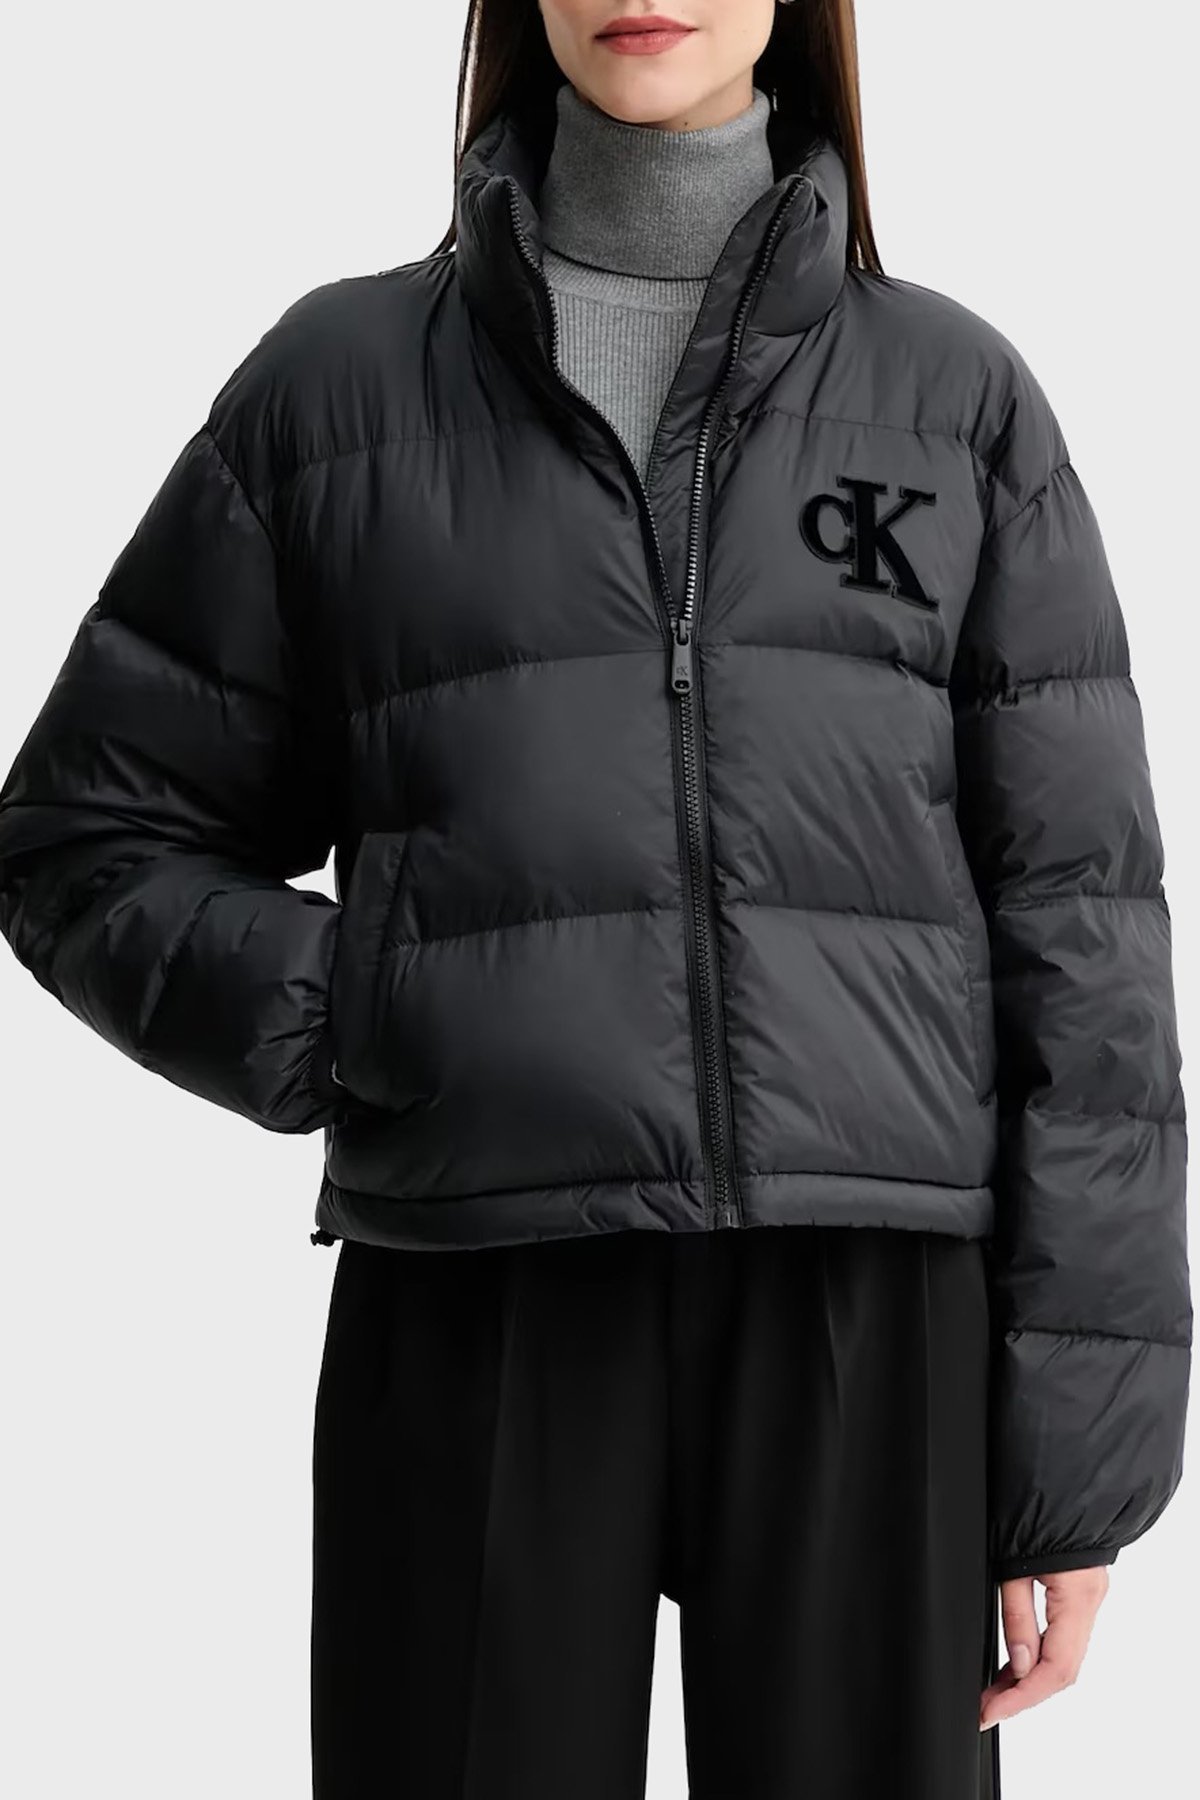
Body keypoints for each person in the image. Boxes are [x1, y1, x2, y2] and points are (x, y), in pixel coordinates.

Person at [0, 1, 1190, 1795]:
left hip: (867, 1301)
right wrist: (361, 1012)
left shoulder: (955, 405)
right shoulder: (337, 393)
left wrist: (1077, 1462)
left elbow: (1083, 939)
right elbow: (86, 831)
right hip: (479, 1284)